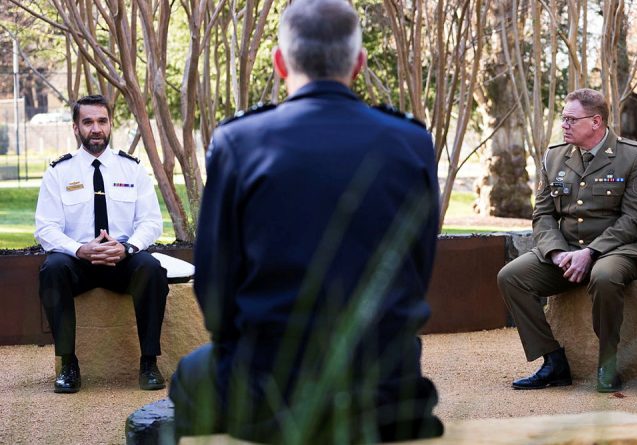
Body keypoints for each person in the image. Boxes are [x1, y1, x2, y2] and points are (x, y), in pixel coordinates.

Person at [168, 0, 443, 442]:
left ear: (279, 62)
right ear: (359, 63)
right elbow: (418, 270)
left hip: (269, 388)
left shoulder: (240, 142)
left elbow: (215, 292)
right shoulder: (411, 142)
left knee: (190, 376)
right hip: (384, 389)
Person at [497, 88, 637, 393]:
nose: (564, 125)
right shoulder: (554, 156)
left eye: (571, 119)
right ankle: (553, 361)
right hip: (566, 250)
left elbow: (635, 220)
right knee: (511, 277)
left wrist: (591, 252)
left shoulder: (634, 156)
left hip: (620, 249)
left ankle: (608, 363)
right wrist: (556, 253)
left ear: (596, 122)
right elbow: (542, 215)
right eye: (563, 118)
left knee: (605, 276)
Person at [35, 94, 168, 393]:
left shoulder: (131, 169)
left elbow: (151, 222)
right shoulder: (59, 172)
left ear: (110, 125)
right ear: (75, 128)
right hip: (78, 261)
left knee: (150, 267)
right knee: (52, 268)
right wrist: (79, 249)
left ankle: (149, 362)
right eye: (88, 122)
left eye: (102, 121)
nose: (96, 128)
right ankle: (68, 364)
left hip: (122, 260)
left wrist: (128, 248)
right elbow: (45, 228)